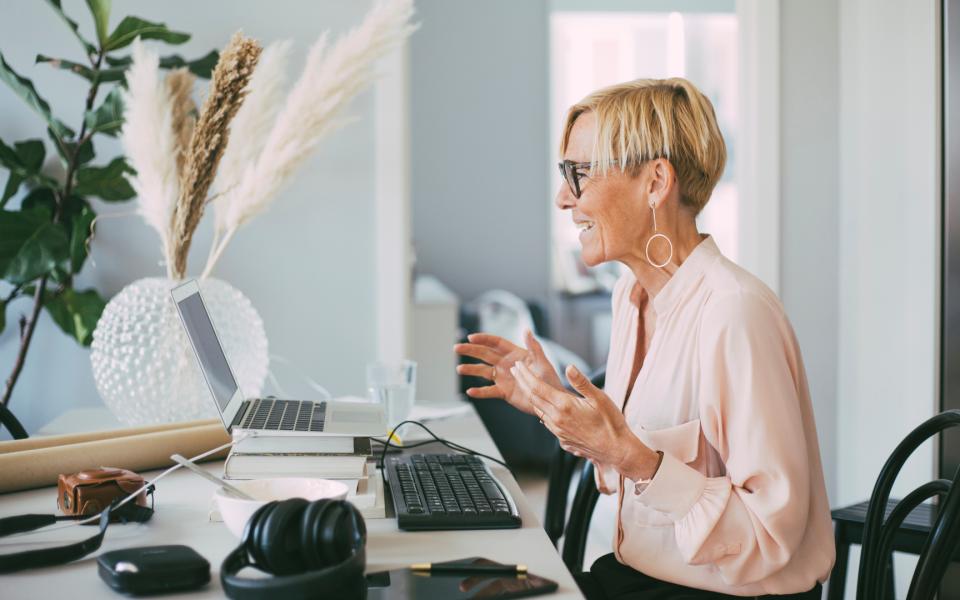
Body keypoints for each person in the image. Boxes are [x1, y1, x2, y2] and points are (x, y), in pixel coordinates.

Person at [453, 78, 834, 599]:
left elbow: (769, 537)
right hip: (639, 578)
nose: (564, 198)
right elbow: (629, 472)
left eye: (579, 173)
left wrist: (632, 458)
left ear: (656, 182)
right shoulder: (631, 297)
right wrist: (553, 404)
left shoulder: (734, 312)